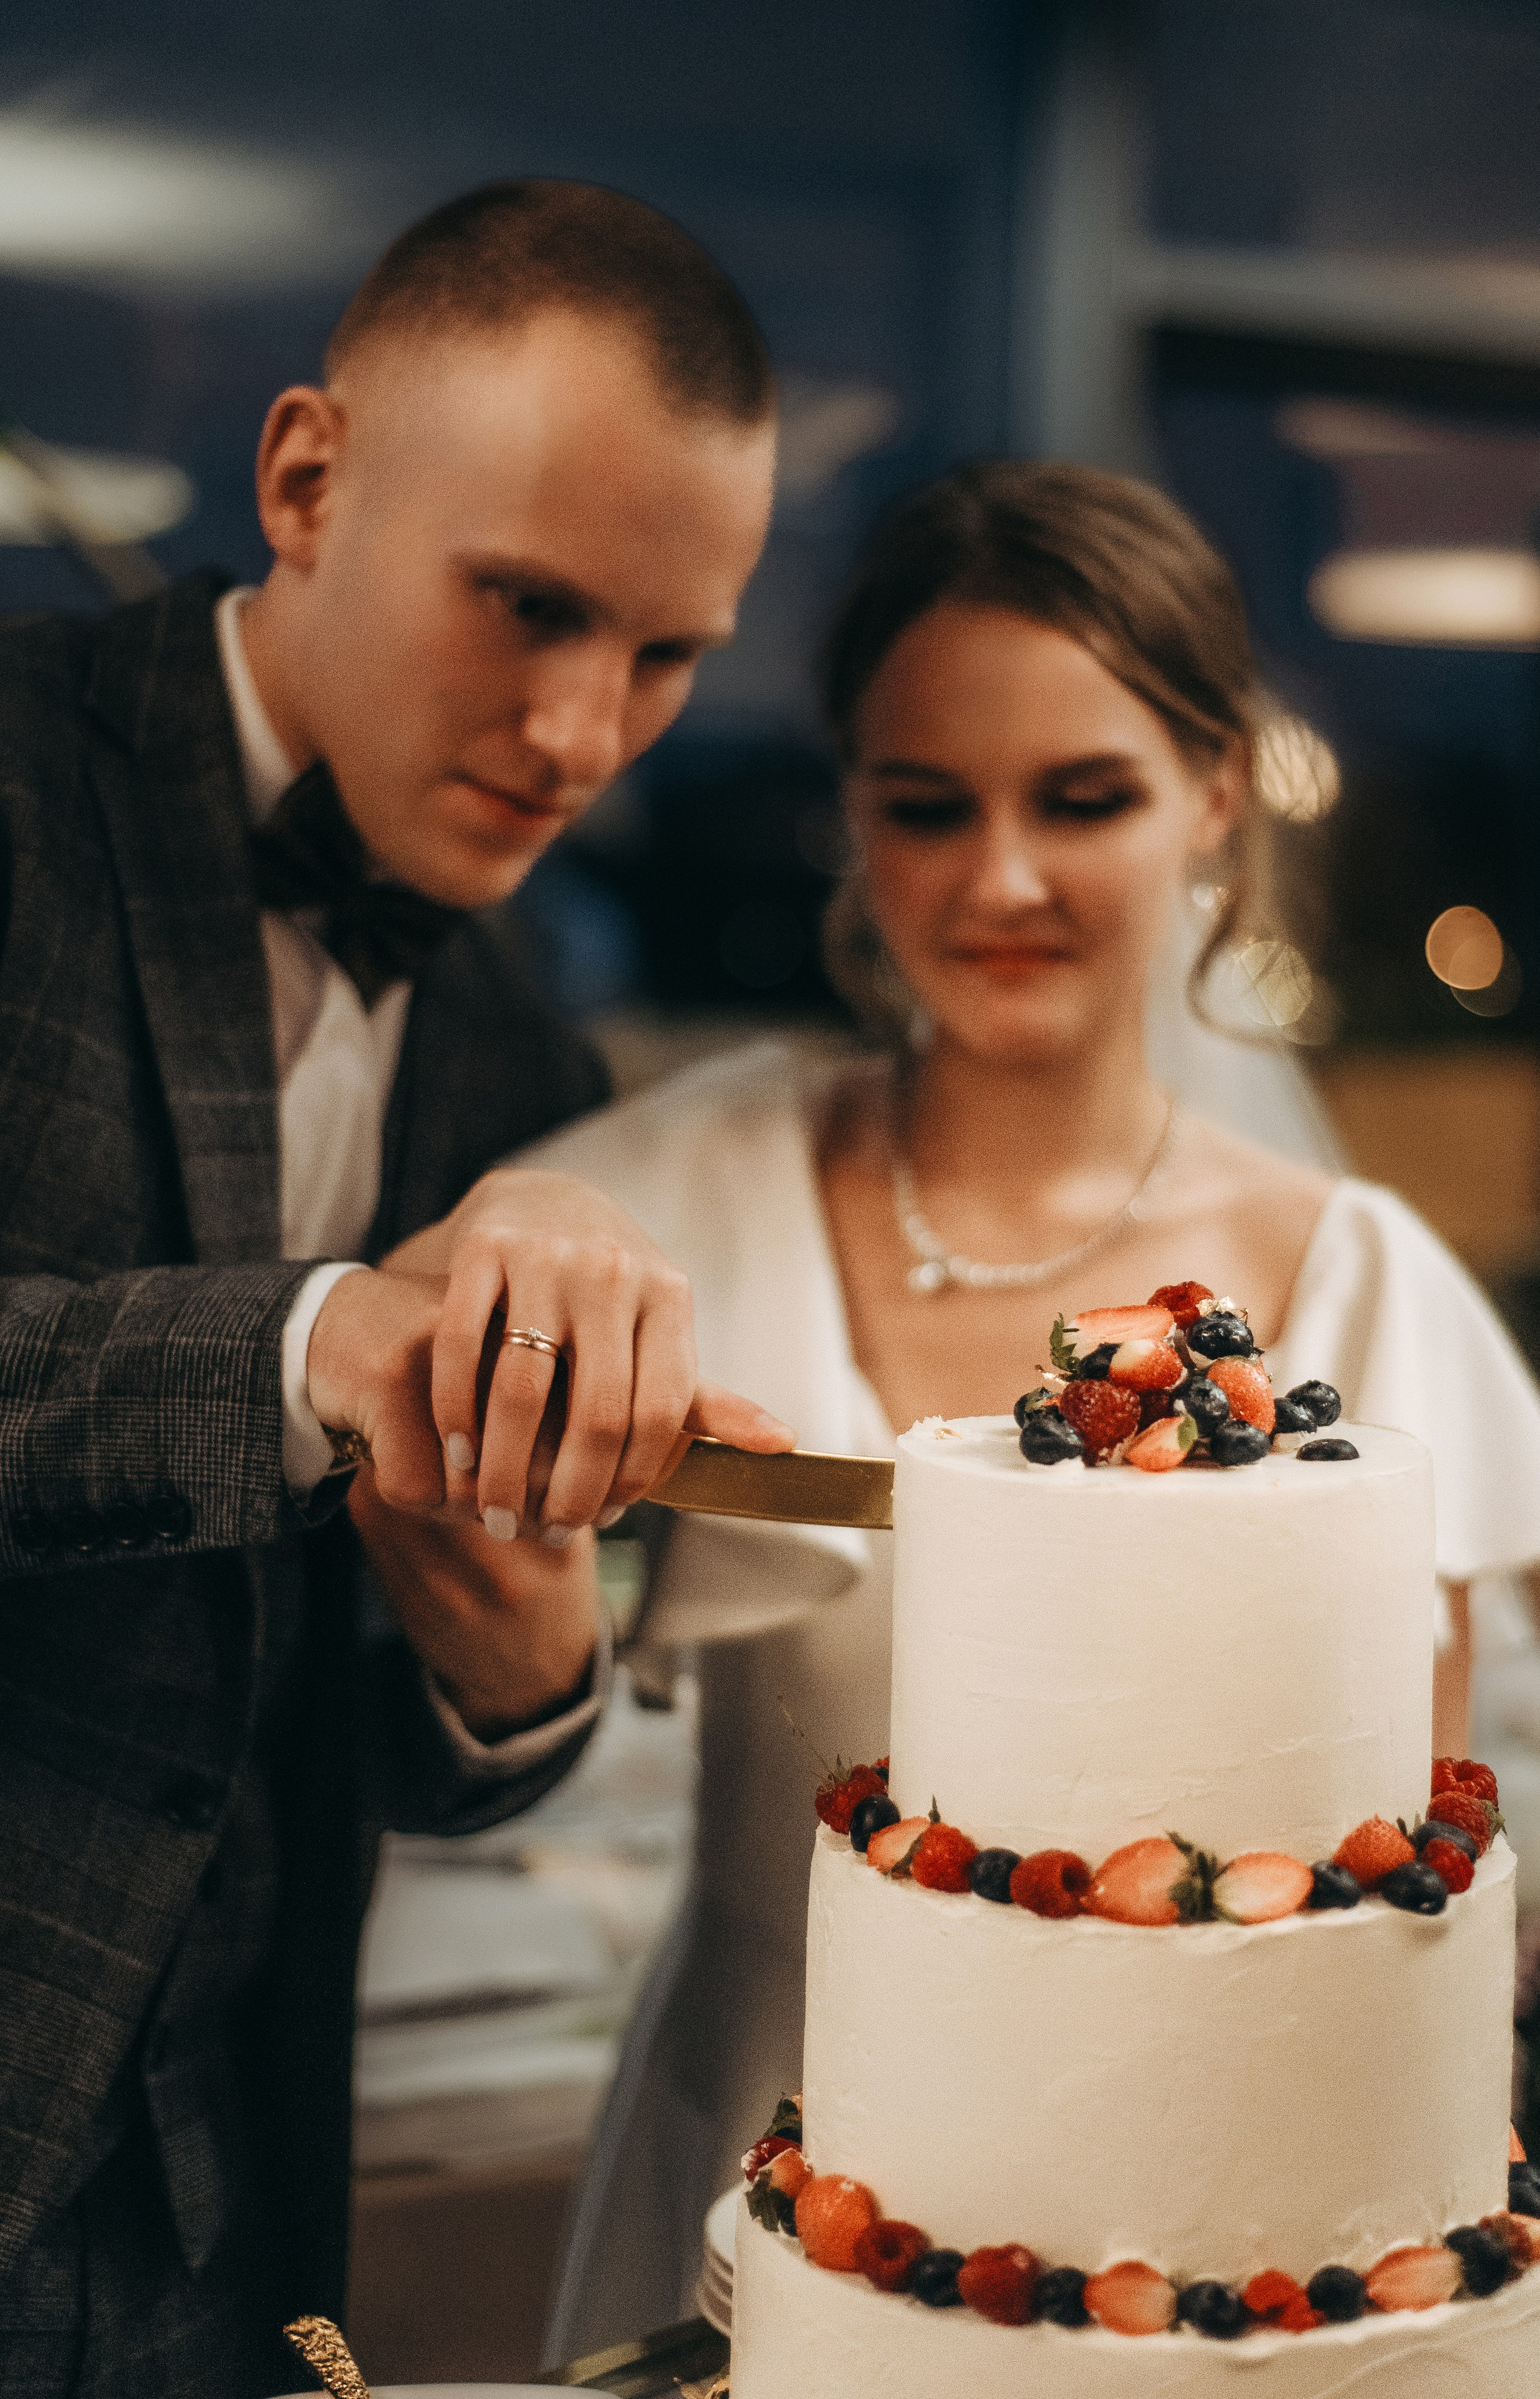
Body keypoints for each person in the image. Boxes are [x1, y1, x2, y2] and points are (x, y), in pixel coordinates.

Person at [375, 459, 1540, 2355]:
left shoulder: (1350, 1271)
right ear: (852, 819)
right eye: (925, 805)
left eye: (1082, 799)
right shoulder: (692, 1181)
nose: (999, 876)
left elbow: (1378, 1913)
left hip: (1219, 2272)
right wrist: (512, 1261)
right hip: (761, 2163)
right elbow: (418, 1351)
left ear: (1212, 793)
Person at [0, 180, 794, 2399]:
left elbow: (361, 1748)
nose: (580, 732)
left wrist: (519, 1673)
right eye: (527, 604)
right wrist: (315, 1336)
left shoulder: (523, 1038)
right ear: (306, 481)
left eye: (665, 654)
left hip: (221, 2232)